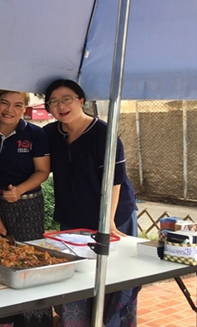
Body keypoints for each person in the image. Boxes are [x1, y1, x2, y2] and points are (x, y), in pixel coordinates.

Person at [42, 79, 139, 327]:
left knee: (115, 280)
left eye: (67, 99)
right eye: (54, 101)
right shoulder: (51, 134)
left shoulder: (103, 134)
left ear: (81, 101)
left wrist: (108, 222)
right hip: (73, 218)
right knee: (75, 278)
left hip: (113, 215)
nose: (61, 106)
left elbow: (115, 181)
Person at [0, 90, 52, 327]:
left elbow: (43, 171)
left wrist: (19, 190)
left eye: (18, 105)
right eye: (4, 103)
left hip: (27, 204)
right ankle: (2, 320)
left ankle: (35, 321)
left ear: (25, 108)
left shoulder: (35, 134)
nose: (10, 110)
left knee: (29, 261)